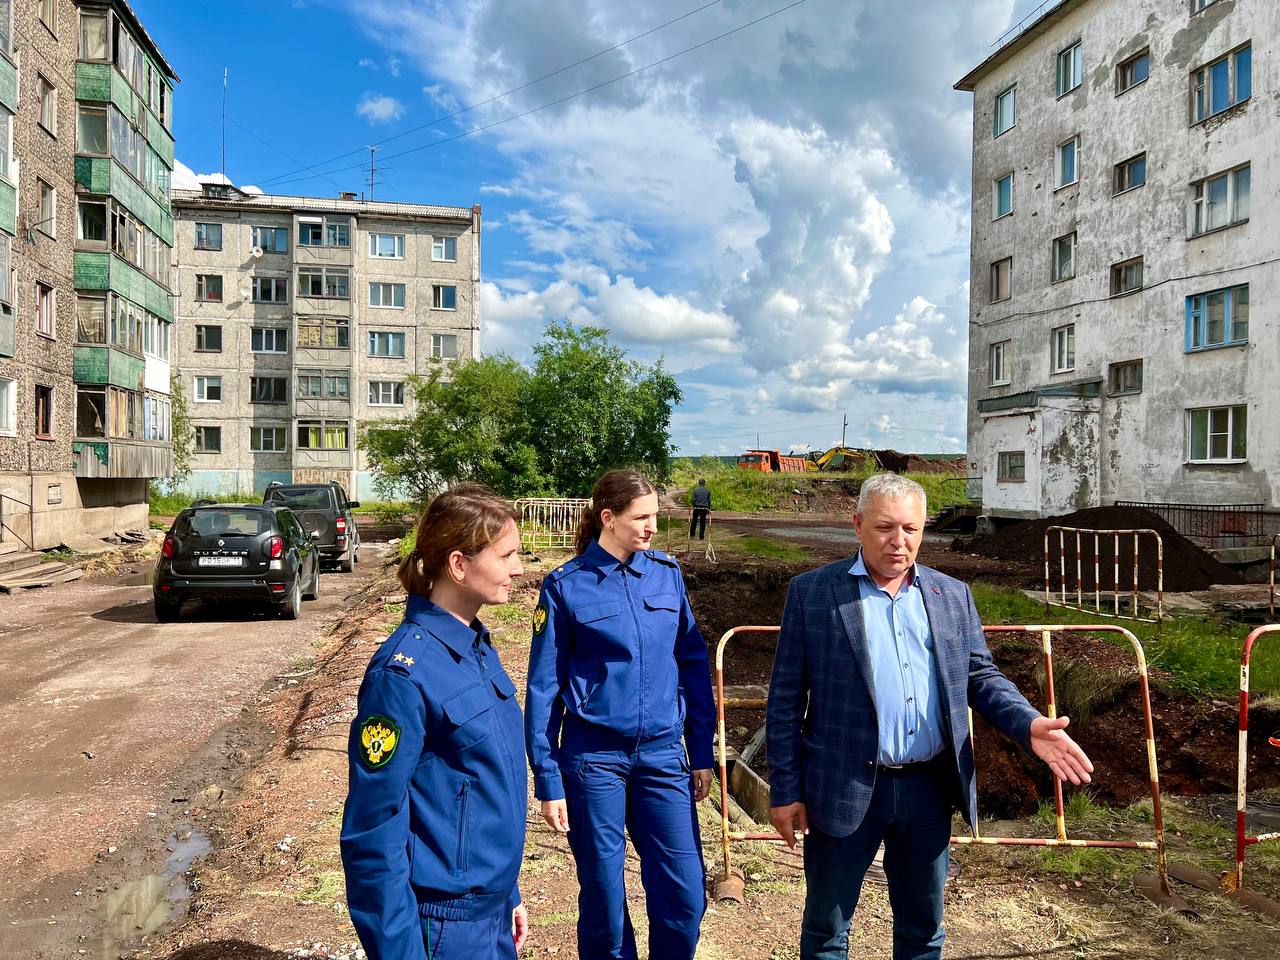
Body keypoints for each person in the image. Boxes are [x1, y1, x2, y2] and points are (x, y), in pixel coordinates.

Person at [766, 474, 1094, 960]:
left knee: (923, 930)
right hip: (843, 786)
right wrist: (786, 790)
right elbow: (785, 699)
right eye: (885, 527)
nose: (899, 542)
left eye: (911, 529)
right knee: (827, 929)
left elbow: (979, 676)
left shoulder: (950, 594)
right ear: (857, 525)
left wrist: (1027, 724)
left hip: (928, 790)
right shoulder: (814, 594)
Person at [525, 468, 715, 960]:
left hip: (662, 756)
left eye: (655, 516)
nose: (652, 527)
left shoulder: (667, 576)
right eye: (642, 517)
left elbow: (693, 668)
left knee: (685, 894)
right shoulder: (566, 587)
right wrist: (548, 780)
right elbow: (543, 689)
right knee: (605, 901)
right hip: (593, 761)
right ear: (608, 519)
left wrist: (700, 753)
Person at [341, 485, 530, 960]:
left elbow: (483, 786)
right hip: (445, 928)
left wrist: (506, 895)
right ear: (459, 565)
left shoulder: (476, 648)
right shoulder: (402, 674)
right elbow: (373, 829)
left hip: (488, 914)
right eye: (507, 555)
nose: (519, 569)